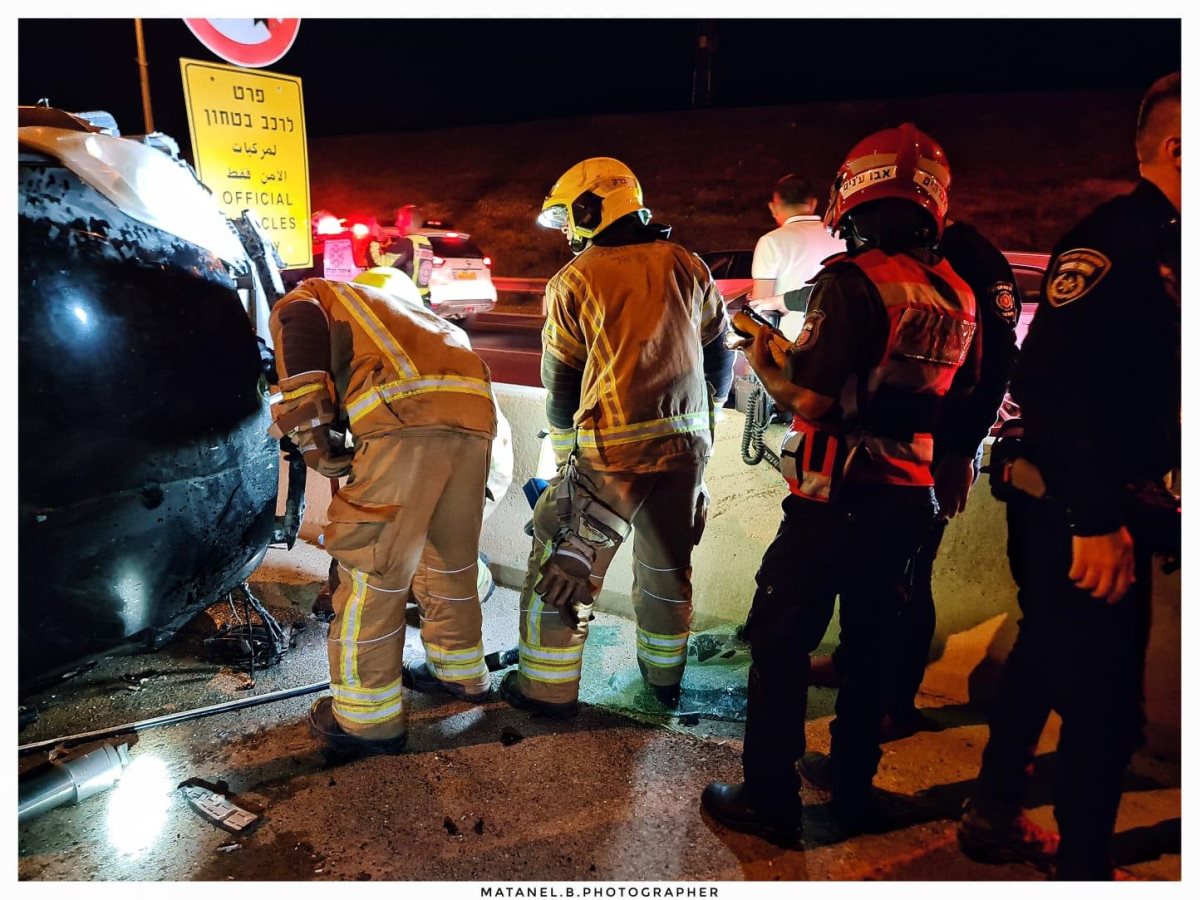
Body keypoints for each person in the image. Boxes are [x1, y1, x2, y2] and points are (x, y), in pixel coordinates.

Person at [702, 123, 980, 844]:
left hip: (835, 502)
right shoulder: (954, 292)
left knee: (780, 642)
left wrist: (765, 361)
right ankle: (854, 794)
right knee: (868, 653)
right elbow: (910, 388)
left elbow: (816, 402)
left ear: (854, 200)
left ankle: (768, 800)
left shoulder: (854, 282)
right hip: (907, 502)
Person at [958, 72, 1180, 880]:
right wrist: (1093, 519)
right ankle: (1083, 869)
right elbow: (1047, 381)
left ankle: (993, 810)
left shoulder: (1167, 242)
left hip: (1118, 505)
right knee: (1107, 706)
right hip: (1084, 510)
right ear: (1177, 146)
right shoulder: (1117, 241)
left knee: (1051, 652)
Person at [499, 157, 733, 718]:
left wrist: (562, 454)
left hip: (610, 457)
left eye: (568, 218)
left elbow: (560, 379)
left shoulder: (575, 280)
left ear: (589, 208)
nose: (567, 232)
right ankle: (663, 681)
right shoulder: (687, 264)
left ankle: (545, 692)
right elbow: (721, 352)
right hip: (685, 452)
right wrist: (707, 420)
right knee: (667, 570)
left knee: (563, 567)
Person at [808, 219, 1022, 739]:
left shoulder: (969, 254)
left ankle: (894, 702)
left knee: (907, 575)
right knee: (871, 574)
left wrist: (961, 451)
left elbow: (996, 363)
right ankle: (854, 666)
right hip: (878, 449)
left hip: (931, 448)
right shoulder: (899, 248)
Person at [268, 271, 497, 752]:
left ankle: (364, 721)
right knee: (449, 562)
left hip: (404, 420)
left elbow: (300, 354)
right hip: (474, 424)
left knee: (374, 572)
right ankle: (461, 677)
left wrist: (314, 444)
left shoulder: (314, 296)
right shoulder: (430, 324)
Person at [748, 174, 846, 340]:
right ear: (813, 203)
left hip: (790, 348)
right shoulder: (842, 237)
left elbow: (760, 308)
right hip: (838, 343)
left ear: (773, 208)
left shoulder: (771, 242)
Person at [365, 204, 434, 305]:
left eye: (399, 220)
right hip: (422, 298)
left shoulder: (406, 243)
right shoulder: (424, 243)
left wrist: (374, 238)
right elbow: (404, 259)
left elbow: (378, 265)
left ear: (408, 221)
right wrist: (385, 240)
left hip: (408, 301)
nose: (396, 223)